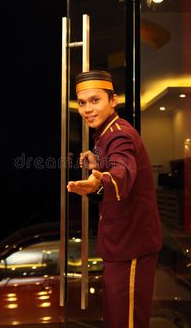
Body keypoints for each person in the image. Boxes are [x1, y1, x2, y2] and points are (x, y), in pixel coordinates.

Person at [67, 70, 162, 328]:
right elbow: (115, 168)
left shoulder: (119, 134)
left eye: (95, 100)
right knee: (116, 319)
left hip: (131, 245)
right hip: (121, 244)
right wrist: (99, 167)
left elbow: (123, 170)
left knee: (127, 322)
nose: (87, 109)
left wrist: (102, 180)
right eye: (82, 102)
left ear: (113, 100)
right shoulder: (106, 134)